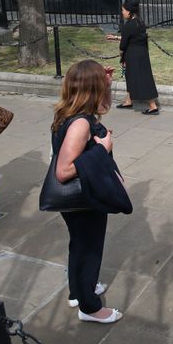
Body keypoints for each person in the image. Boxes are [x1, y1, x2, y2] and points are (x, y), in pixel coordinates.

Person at [51, 60, 122, 323]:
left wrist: (106, 83)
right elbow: (64, 170)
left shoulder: (68, 113)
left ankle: (79, 290)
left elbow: (103, 107)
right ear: (92, 89)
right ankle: (89, 307)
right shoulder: (81, 124)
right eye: (101, 84)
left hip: (77, 199)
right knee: (88, 249)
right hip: (84, 198)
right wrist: (102, 148)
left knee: (79, 245)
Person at [105, 0, 159, 115]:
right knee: (132, 77)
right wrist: (116, 38)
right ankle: (128, 101)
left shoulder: (128, 25)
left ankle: (152, 106)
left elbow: (124, 45)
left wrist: (121, 55)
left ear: (129, 12)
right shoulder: (140, 22)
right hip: (142, 54)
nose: (122, 13)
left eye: (123, 10)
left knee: (140, 79)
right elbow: (134, 38)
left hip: (132, 55)